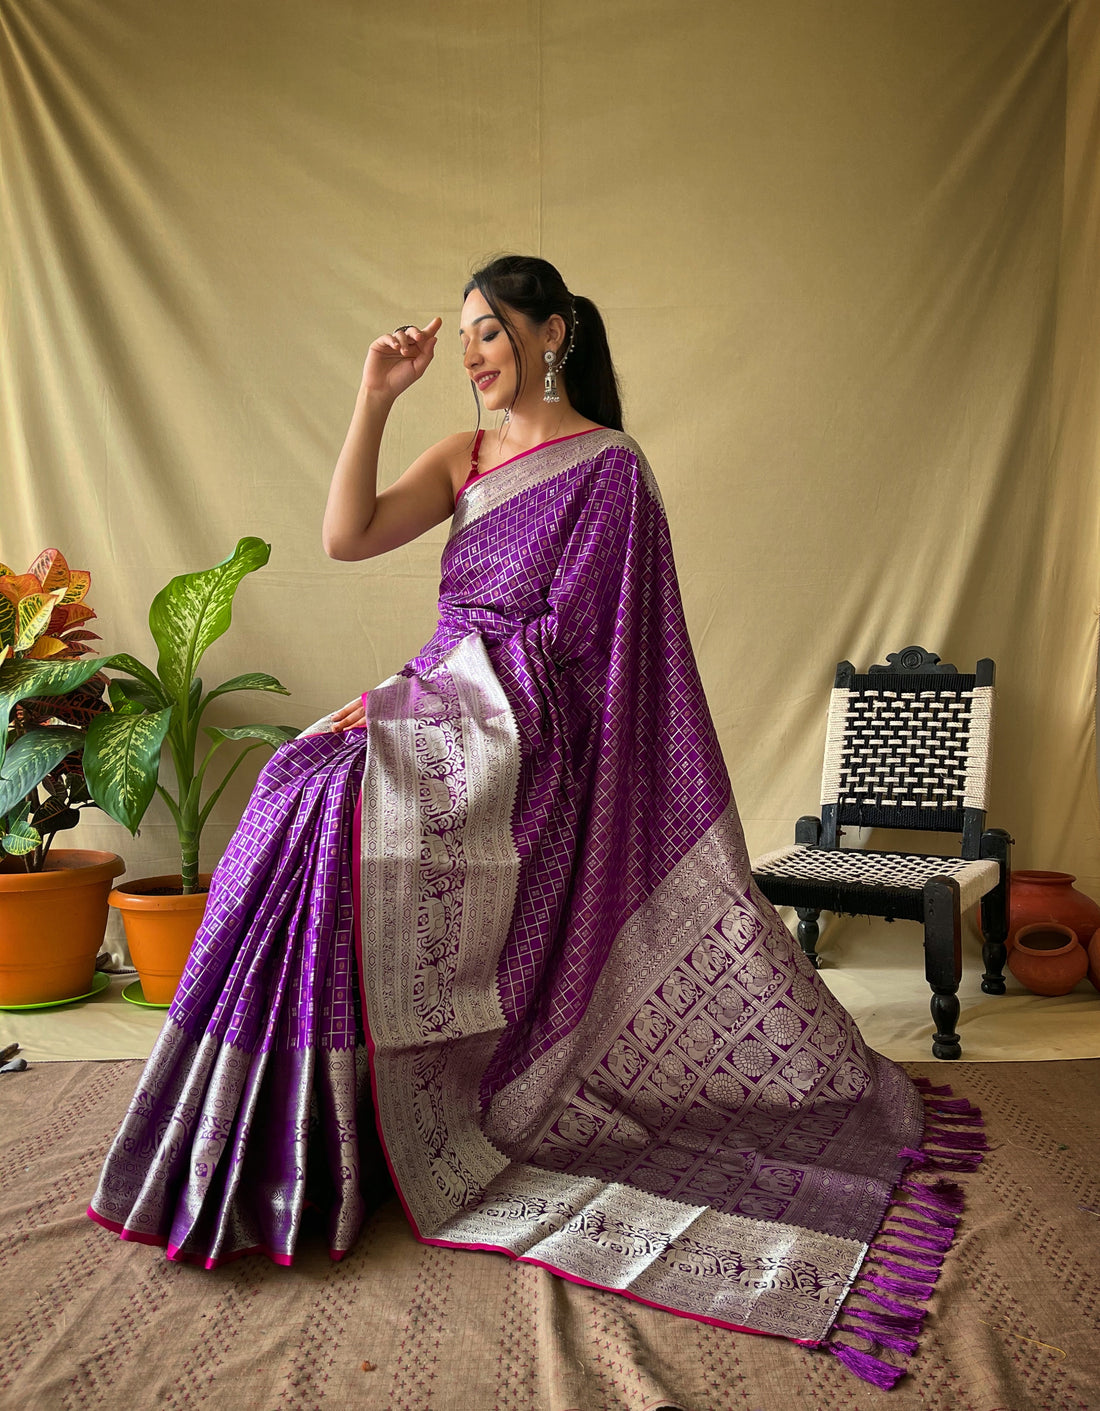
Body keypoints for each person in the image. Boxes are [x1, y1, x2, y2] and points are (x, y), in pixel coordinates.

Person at [88, 256, 981, 1389]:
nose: (472, 355)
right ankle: (285, 1130)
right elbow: (347, 536)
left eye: (491, 333)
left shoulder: (609, 469)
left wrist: (417, 707)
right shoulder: (461, 455)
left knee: (332, 803)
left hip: (518, 732)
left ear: (552, 333)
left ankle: (366, 1120)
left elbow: (575, 665)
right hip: (431, 700)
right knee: (290, 794)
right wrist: (374, 396)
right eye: (463, 336)